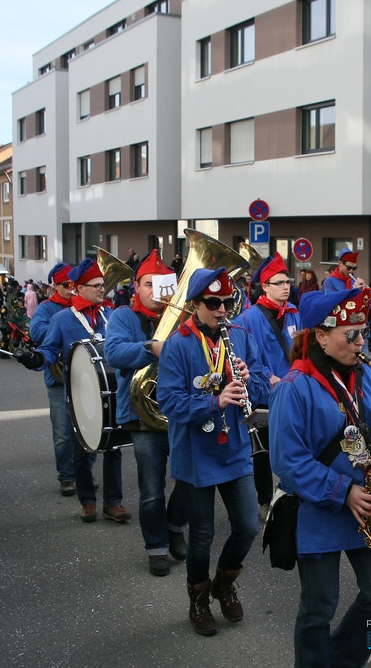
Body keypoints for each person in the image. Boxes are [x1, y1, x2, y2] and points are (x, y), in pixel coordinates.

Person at [270, 287, 371, 667]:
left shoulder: (367, 374)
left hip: (369, 504)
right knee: (320, 606)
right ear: (321, 335)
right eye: (351, 334)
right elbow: (288, 462)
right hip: (320, 508)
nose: (360, 341)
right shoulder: (294, 387)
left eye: (362, 332)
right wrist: (343, 492)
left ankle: (339, 661)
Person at [155, 267, 268, 636]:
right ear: (194, 305)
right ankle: (199, 599)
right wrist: (214, 401)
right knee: (201, 534)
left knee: (248, 526)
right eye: (213, 303)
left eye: (227, 302)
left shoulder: (236, 337)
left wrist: (246, 379)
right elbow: (168, 401)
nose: (222, 310)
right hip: (196, 452)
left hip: (233, 447)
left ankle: (224, 583)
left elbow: (255, 380)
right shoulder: (178, 344)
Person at [19, 259, 130, 524]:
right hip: (79, 392)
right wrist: (36, 359)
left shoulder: (110, 314)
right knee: (82, 448)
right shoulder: (62, 319)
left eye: (103, 285)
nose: (103, 290)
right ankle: (88, 502)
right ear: (79, 288)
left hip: (112, 391)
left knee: (114, 448)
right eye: (97, 286)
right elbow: (48, 350)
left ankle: (113, 502)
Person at [104, 249, 188, 576]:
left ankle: (175, 527)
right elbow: (113, 353)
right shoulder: (124, 316)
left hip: (179, 411)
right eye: (148, 285)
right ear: (136, 287)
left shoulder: (182, 315)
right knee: (152, 488)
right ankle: (156, 547)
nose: (154, 291)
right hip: (142, 416)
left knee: (187, 479)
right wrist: (150, 348)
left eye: (160, 285)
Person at [233, 252, 302, 517]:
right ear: (265, 286)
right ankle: (263, 500)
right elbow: (247, 355)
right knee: (261, 451)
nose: (286, 287)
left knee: (291, 446)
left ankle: (290, 495)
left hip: (292, 392)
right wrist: (266, 375)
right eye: (280, 283)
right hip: (264, 393)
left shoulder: (294, 313)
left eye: (288, 281)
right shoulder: (249, 318)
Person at [28, 262, 76, 496]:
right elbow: (35, 332)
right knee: (62, 433)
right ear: (55, 286)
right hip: (57, 379)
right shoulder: (47, 308)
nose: (71, 289)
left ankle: (82, 473)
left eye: (73, 284)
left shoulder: (81, 306)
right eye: (66, 285)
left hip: (81, 377)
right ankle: (66, 476)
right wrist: (64, 328)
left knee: (85, 429)